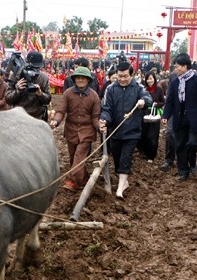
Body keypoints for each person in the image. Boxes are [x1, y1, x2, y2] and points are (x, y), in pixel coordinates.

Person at [99, 62, 152, 198]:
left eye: (125, 76)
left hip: (132, 131)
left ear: (131, 75)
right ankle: (124, 182)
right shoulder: (111, 89)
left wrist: (143, 102)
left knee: (125, 157)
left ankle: (120, 190)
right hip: (115, 130)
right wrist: (104, 119)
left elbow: (148, 98)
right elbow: (106, 108)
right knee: (116, 157)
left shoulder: (138, 87)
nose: (122, 79)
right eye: (120, 76)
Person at [161, 53, 197, 181]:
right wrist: (166, 115)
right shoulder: (174, 82)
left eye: (177, 66)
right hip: (180, 118)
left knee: (191, 143)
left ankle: (192, 161)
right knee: (180, 145)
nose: (175, 69)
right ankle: (183, 170)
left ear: (185, 67)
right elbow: (170, 101)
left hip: (194, 118)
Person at [50, 67, 101, 191]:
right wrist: (55, 121)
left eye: (83, 78)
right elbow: (61, 111)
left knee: (79, 155)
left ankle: (74, 182)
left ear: (88, 80)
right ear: (74, 80)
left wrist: (100, 127)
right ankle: (83, 178)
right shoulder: (68, 93)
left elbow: (95, 117)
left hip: (87, 131)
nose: (80, 80)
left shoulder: (94, 96)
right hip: (71, 129)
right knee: (73, 157)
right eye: (78, 78)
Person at [4, 51, 51, 121]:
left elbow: (47, 100)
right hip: (18, 119)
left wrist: (41, 94)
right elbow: (8, 99)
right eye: (33, 67)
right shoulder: (16, 76)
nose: (36, 70)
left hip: (36, 118)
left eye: (38, 68)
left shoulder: (43, 78)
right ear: (26, 64)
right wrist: (17, 91)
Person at [139, 71, 165, 163]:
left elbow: (163, 101)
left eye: (151, 78)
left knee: (153, 135)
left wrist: (157, 104)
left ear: (154, 78)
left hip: (154, 114)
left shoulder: (159, 89)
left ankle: (151, 155)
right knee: (144, 134)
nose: (150, 81)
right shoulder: (143, 90)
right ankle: (145, 152)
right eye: (148, 79)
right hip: (145, 113)